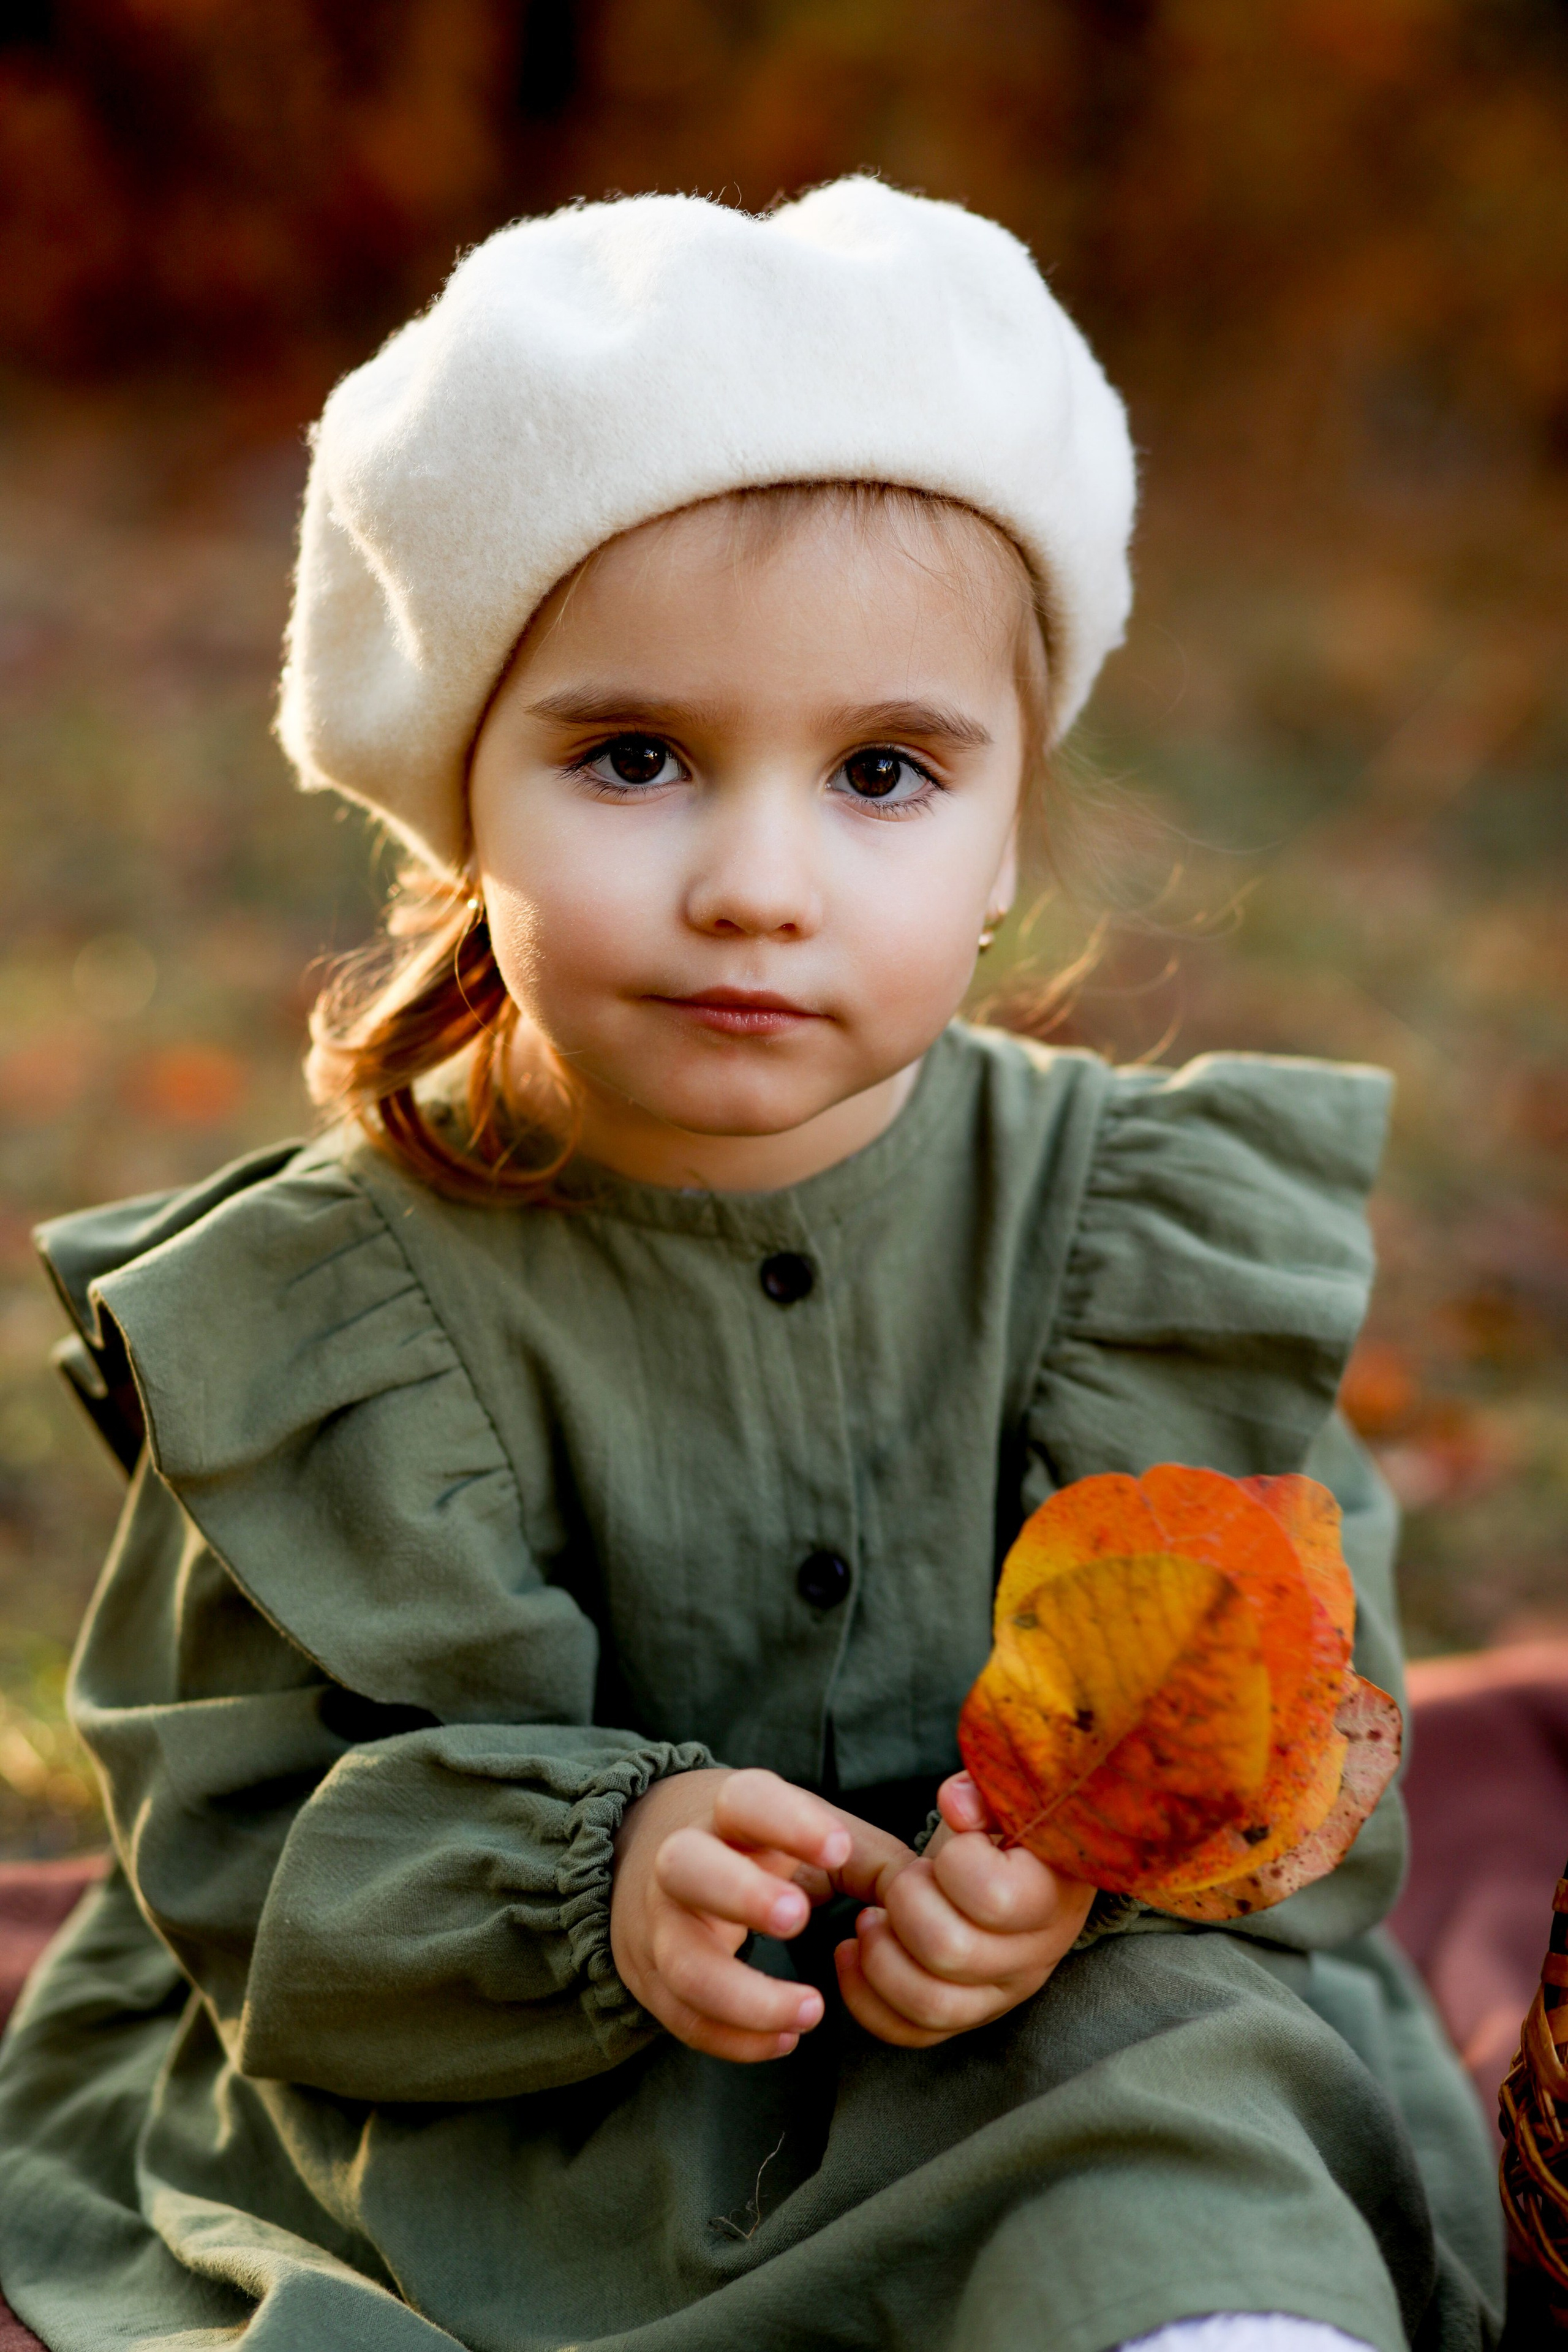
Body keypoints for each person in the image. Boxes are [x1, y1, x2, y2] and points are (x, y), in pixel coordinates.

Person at [0, 179, 1502, 2352]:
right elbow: (232, 1851)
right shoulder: (341, 1316)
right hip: (529, 2111)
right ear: (459, 800)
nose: (758, 885)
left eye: (884, 773)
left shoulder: (1133, 1241)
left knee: (1181, 2117)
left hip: (1048, 2051)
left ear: (1006, 838)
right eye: (636, 758)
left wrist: (1065, 1880)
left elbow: (1290, 1737)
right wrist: (586, 1884)